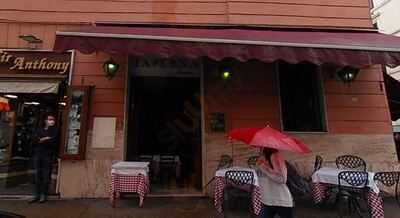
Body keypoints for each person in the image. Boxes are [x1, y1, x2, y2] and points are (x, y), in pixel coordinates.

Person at [28, 114, 58, 203]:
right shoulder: (39, 130)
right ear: (45, 120)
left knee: (46, 176)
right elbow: (34, 140)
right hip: (38, 154)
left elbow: (53, 141)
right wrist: (45, 139)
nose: (52, 121)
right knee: (37, 175)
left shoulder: (55, 130)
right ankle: (36, 195)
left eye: (53, 119)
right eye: (50, 119)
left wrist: (43, 140)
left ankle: (44, 195)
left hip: (48, 155)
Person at [256, 148, 294, 218]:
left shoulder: (275, 155)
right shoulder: (262, 157)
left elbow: (282, 179)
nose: (257, 147)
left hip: (281, 201)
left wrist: (264, 169)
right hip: (267, 200)